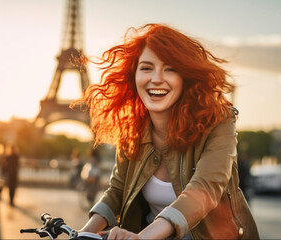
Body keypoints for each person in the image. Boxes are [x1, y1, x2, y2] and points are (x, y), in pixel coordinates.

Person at [73, 24, 259, 239]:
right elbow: (117, 191)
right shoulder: (132, 128)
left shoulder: (218, 122)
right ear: (134, 76)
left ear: (185, 77)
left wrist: (142, 237)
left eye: (170, 69)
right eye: (146, 68)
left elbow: (205, 190)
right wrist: (84, 233)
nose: (156, 78)